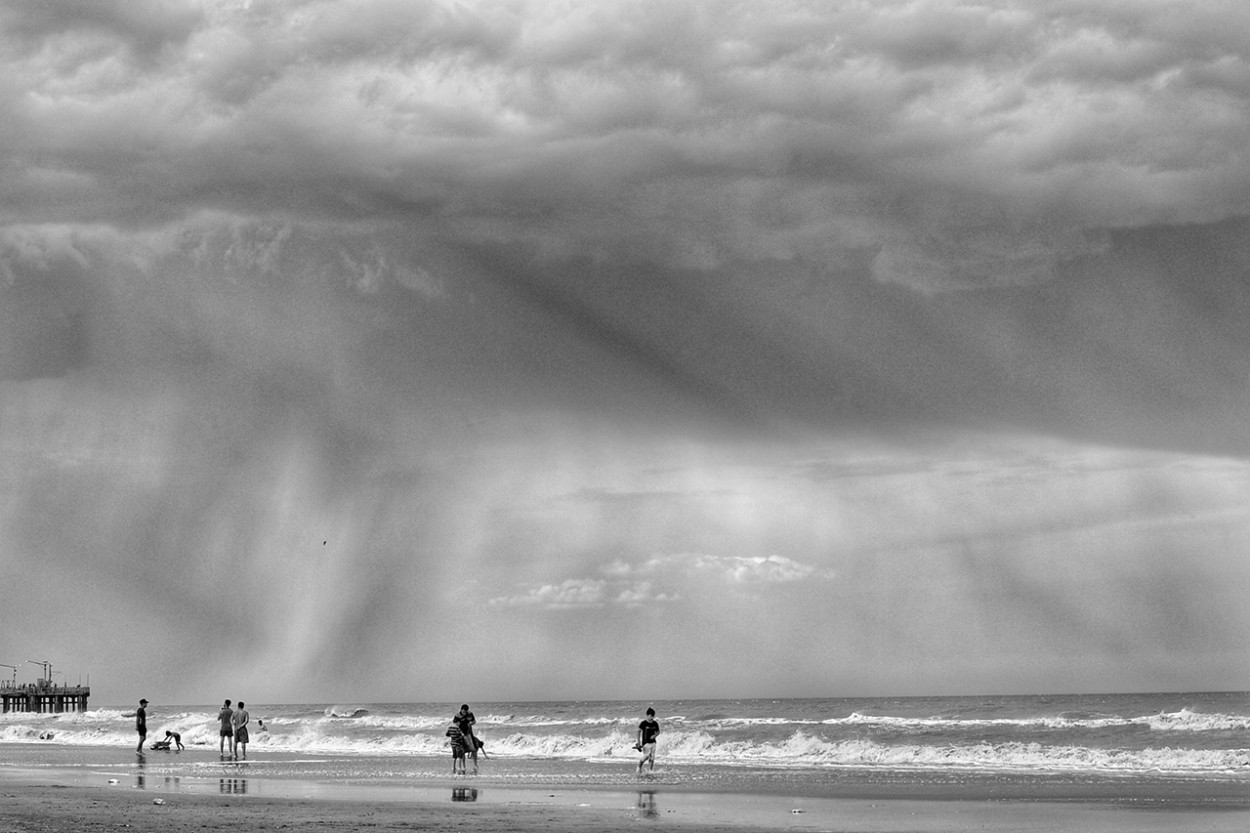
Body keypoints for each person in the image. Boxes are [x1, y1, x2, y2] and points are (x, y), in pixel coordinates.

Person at [455, 704, 479, 774]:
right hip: (461, 734)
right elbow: (455, 724)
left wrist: (471, 723)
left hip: (469, 733)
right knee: (462, 750)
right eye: (463, 712)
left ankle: (475, 765)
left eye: (466, 711)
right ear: (461, 710)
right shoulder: (457, 715)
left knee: (474, 748)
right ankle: (463, 766)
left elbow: (474, 721)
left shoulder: (470, 714)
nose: (465, 713)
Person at [637, 706, 659, 774]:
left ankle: (650, 771)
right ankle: (639, 766)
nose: (652, 717)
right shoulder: (643, 723)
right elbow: (638, 731)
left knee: (652, 757)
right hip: (646, 743)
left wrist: (654, 736)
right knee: (646, 756)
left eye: (653, 716)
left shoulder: (655, 723)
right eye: (650, 716)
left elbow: (658, 732)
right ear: (647, 715)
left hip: (653, 743)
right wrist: (638, 742)